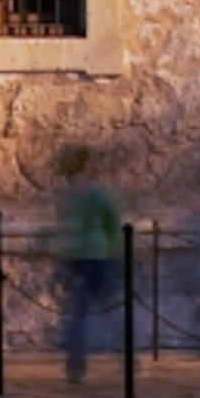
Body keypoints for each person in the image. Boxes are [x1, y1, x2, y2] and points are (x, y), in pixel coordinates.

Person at [53, 146, 125, 382]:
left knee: (83, 313)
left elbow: (109, 226)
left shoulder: (82, 197)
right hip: (88, 257)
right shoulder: (91, 196)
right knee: (92, 311)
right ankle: (84, 363)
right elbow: (110, 225)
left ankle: (77, 365)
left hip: (85, 258)